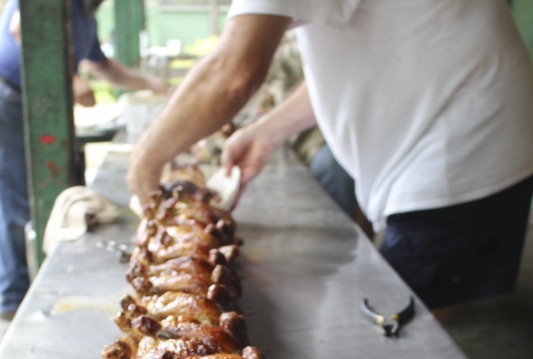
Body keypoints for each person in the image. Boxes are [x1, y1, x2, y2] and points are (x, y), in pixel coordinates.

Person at [128, 1, 533, 311]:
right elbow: (365, 57)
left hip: (462, 151)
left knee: (409, 325)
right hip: (479, 127)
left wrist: (146, 159)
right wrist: (267, 131)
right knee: (426, 316)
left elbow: (232, 74)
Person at [0, 0, 168, 324]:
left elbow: (106, 69)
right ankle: (11, 295)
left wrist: (153, 85)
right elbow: (20, 28)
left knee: (50, 195)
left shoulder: (86, 17)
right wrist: (71, 77)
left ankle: (30, 283)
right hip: (8, 99)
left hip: (41, 104)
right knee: (16, 199)